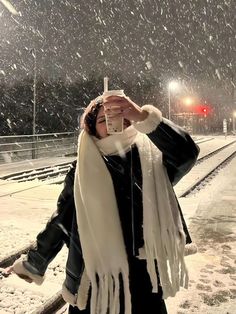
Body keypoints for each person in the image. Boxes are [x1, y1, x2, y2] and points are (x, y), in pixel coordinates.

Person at [5, 93, 199, 314]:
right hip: (92, 281)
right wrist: (34, 262)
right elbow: (61, 220)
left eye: (122, 119)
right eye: (102, 120)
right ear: (91, 129)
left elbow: (187, 153)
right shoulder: (82, 170)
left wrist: (142, 115)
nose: (112, 124)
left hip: (142, 279)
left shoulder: (151, 162)